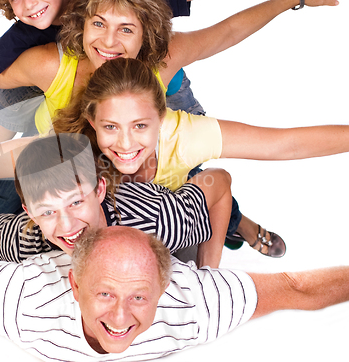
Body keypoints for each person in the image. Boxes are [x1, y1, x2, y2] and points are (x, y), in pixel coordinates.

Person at [0, 0, 345, 260]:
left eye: (125, 30)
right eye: (98, 25)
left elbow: (281, 135)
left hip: (155, 173)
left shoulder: (173, 116)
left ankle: (237, 225)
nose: (109, 41)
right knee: (1, 193)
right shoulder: (59, 105)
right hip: (68, 169)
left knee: (197, 188)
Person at [0, 225, 348, 362]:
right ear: (74, 285)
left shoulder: (194, 302)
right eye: (106, 294)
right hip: (28, 240)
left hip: (154, 219)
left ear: (165, 287)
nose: (120, 317)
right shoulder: (24, 302)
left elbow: (296, 287)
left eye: (139, 297)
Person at [50, 57, 349, 255]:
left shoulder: (184, 135)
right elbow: (8, 160)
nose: (126, 143)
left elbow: (286, 144)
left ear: (161, 117)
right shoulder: (72, 150)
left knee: (210, 194)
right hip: (138, 218)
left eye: (140, 125)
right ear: (93, 122)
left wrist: (211, 275)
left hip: (181, 198)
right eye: (111, 127)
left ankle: (240, 224)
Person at [0, 133, 230, 268]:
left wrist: (210, 274)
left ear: (99, 190)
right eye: (47, 212)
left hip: (164, 221)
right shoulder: (29, 241)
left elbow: (219, 180)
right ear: (29, 214)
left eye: (75, 202)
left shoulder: (158, 223)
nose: (66, 225)